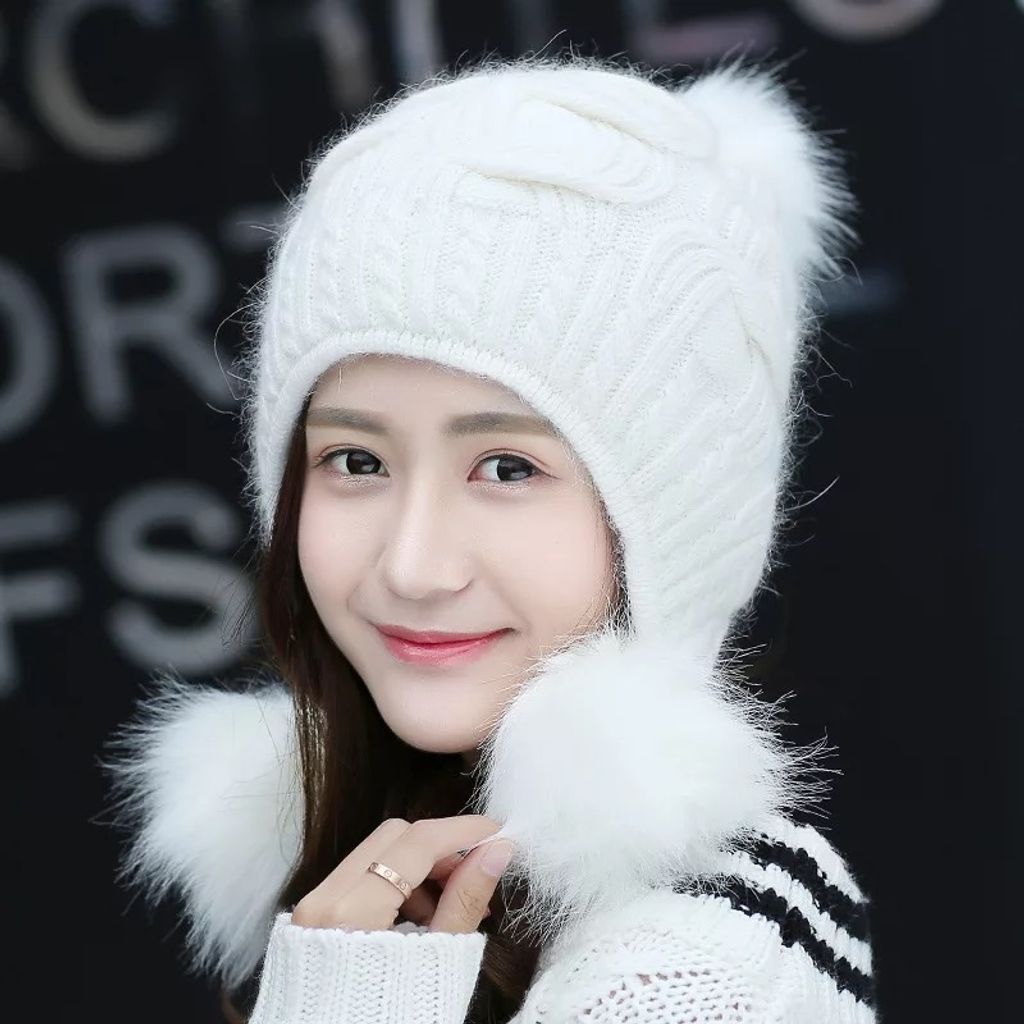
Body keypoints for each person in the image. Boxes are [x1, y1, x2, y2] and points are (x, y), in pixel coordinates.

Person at [102, 52, 877, 1023]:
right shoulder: (420, 894)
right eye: (356, 461)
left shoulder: (685, 975)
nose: (413, 564)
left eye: (507, 469)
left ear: (675, 525)